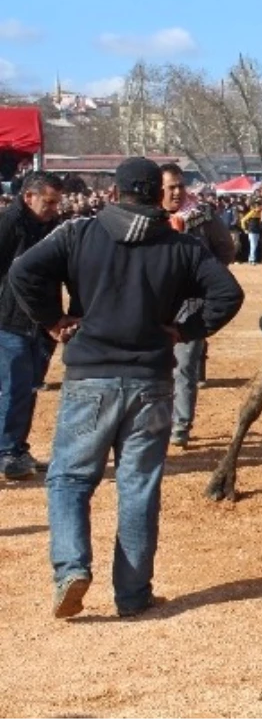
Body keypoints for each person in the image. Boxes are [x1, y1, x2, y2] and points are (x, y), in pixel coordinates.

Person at [7, 157, 244, 619]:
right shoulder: (183, 246)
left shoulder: (78, 233)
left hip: (90, 376)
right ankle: (133, 594)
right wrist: (186, 329)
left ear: (113, 193)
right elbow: (228, 294)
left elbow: (23, 273)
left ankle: (72, 567)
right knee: (138, 487)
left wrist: (53, 320)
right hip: (152, 380)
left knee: (70, 480)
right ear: (160, 195)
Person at [161, 164, 236, 448]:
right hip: (155, 302)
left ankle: (180, 425)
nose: (177, 192)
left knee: (184, 366)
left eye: (180, 185)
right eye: (171, 187)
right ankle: (155, 420)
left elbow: (225, 250)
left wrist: (207, 278)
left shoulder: (202, 216)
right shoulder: (148, 217)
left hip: (192, 303)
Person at [0, 173, 63, 480]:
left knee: (29, 388)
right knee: (13, 389)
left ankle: (17, 448)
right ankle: (7, 453)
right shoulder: (8, 226)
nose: (54, 208)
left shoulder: (51, 227)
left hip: (40, 323)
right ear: (29, 197)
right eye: (49, 202)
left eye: (57, 203)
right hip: (9, 321)